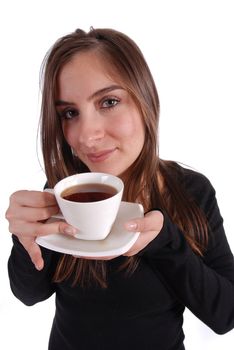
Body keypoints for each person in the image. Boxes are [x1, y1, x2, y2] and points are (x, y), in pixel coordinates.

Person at [5, 27, 234, 350]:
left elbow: (225, 315)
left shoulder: (191, 191)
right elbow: (30, 294)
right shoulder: (63, 193)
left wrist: (167, 243)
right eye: (69, 113)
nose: (87, 136)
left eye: (109, 102)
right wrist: (25, 240)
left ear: (145, 99)